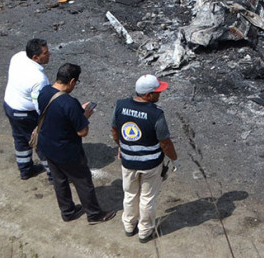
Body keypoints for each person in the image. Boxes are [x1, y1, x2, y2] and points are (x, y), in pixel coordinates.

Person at [36, 63, 116, 224]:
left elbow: (55, 115)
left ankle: (68, 211)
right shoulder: (69, 103)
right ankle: (94, 214)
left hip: (47, 146)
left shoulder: (44, 92)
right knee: (83, 181)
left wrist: (76, 113)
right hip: (67, 151)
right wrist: (84, 116)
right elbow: (82, 132)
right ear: (72, 81)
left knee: (59, 181)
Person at [110, 75, 178, 243]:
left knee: (130, 194)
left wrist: (121, 146)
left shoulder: (120, 105)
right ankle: (145, 231)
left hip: (127, 162)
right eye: (157, 92)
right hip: (150, 165)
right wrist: (174, 158)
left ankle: (128, 225)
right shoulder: (156, 114)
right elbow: (165, 143)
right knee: (147, 198)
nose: (159, 95)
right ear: (148, 95)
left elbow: (114, 129)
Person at [2, 38, 51, 180]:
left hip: (10, 105)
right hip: (25, 114)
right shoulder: (38, 79)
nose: (49, 55)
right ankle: (53, 174)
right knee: (41, 143)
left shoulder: (17, 57)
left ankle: (25, 169)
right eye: (46, 53)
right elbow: (39, 105)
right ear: (35, 57)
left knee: (20, 139)